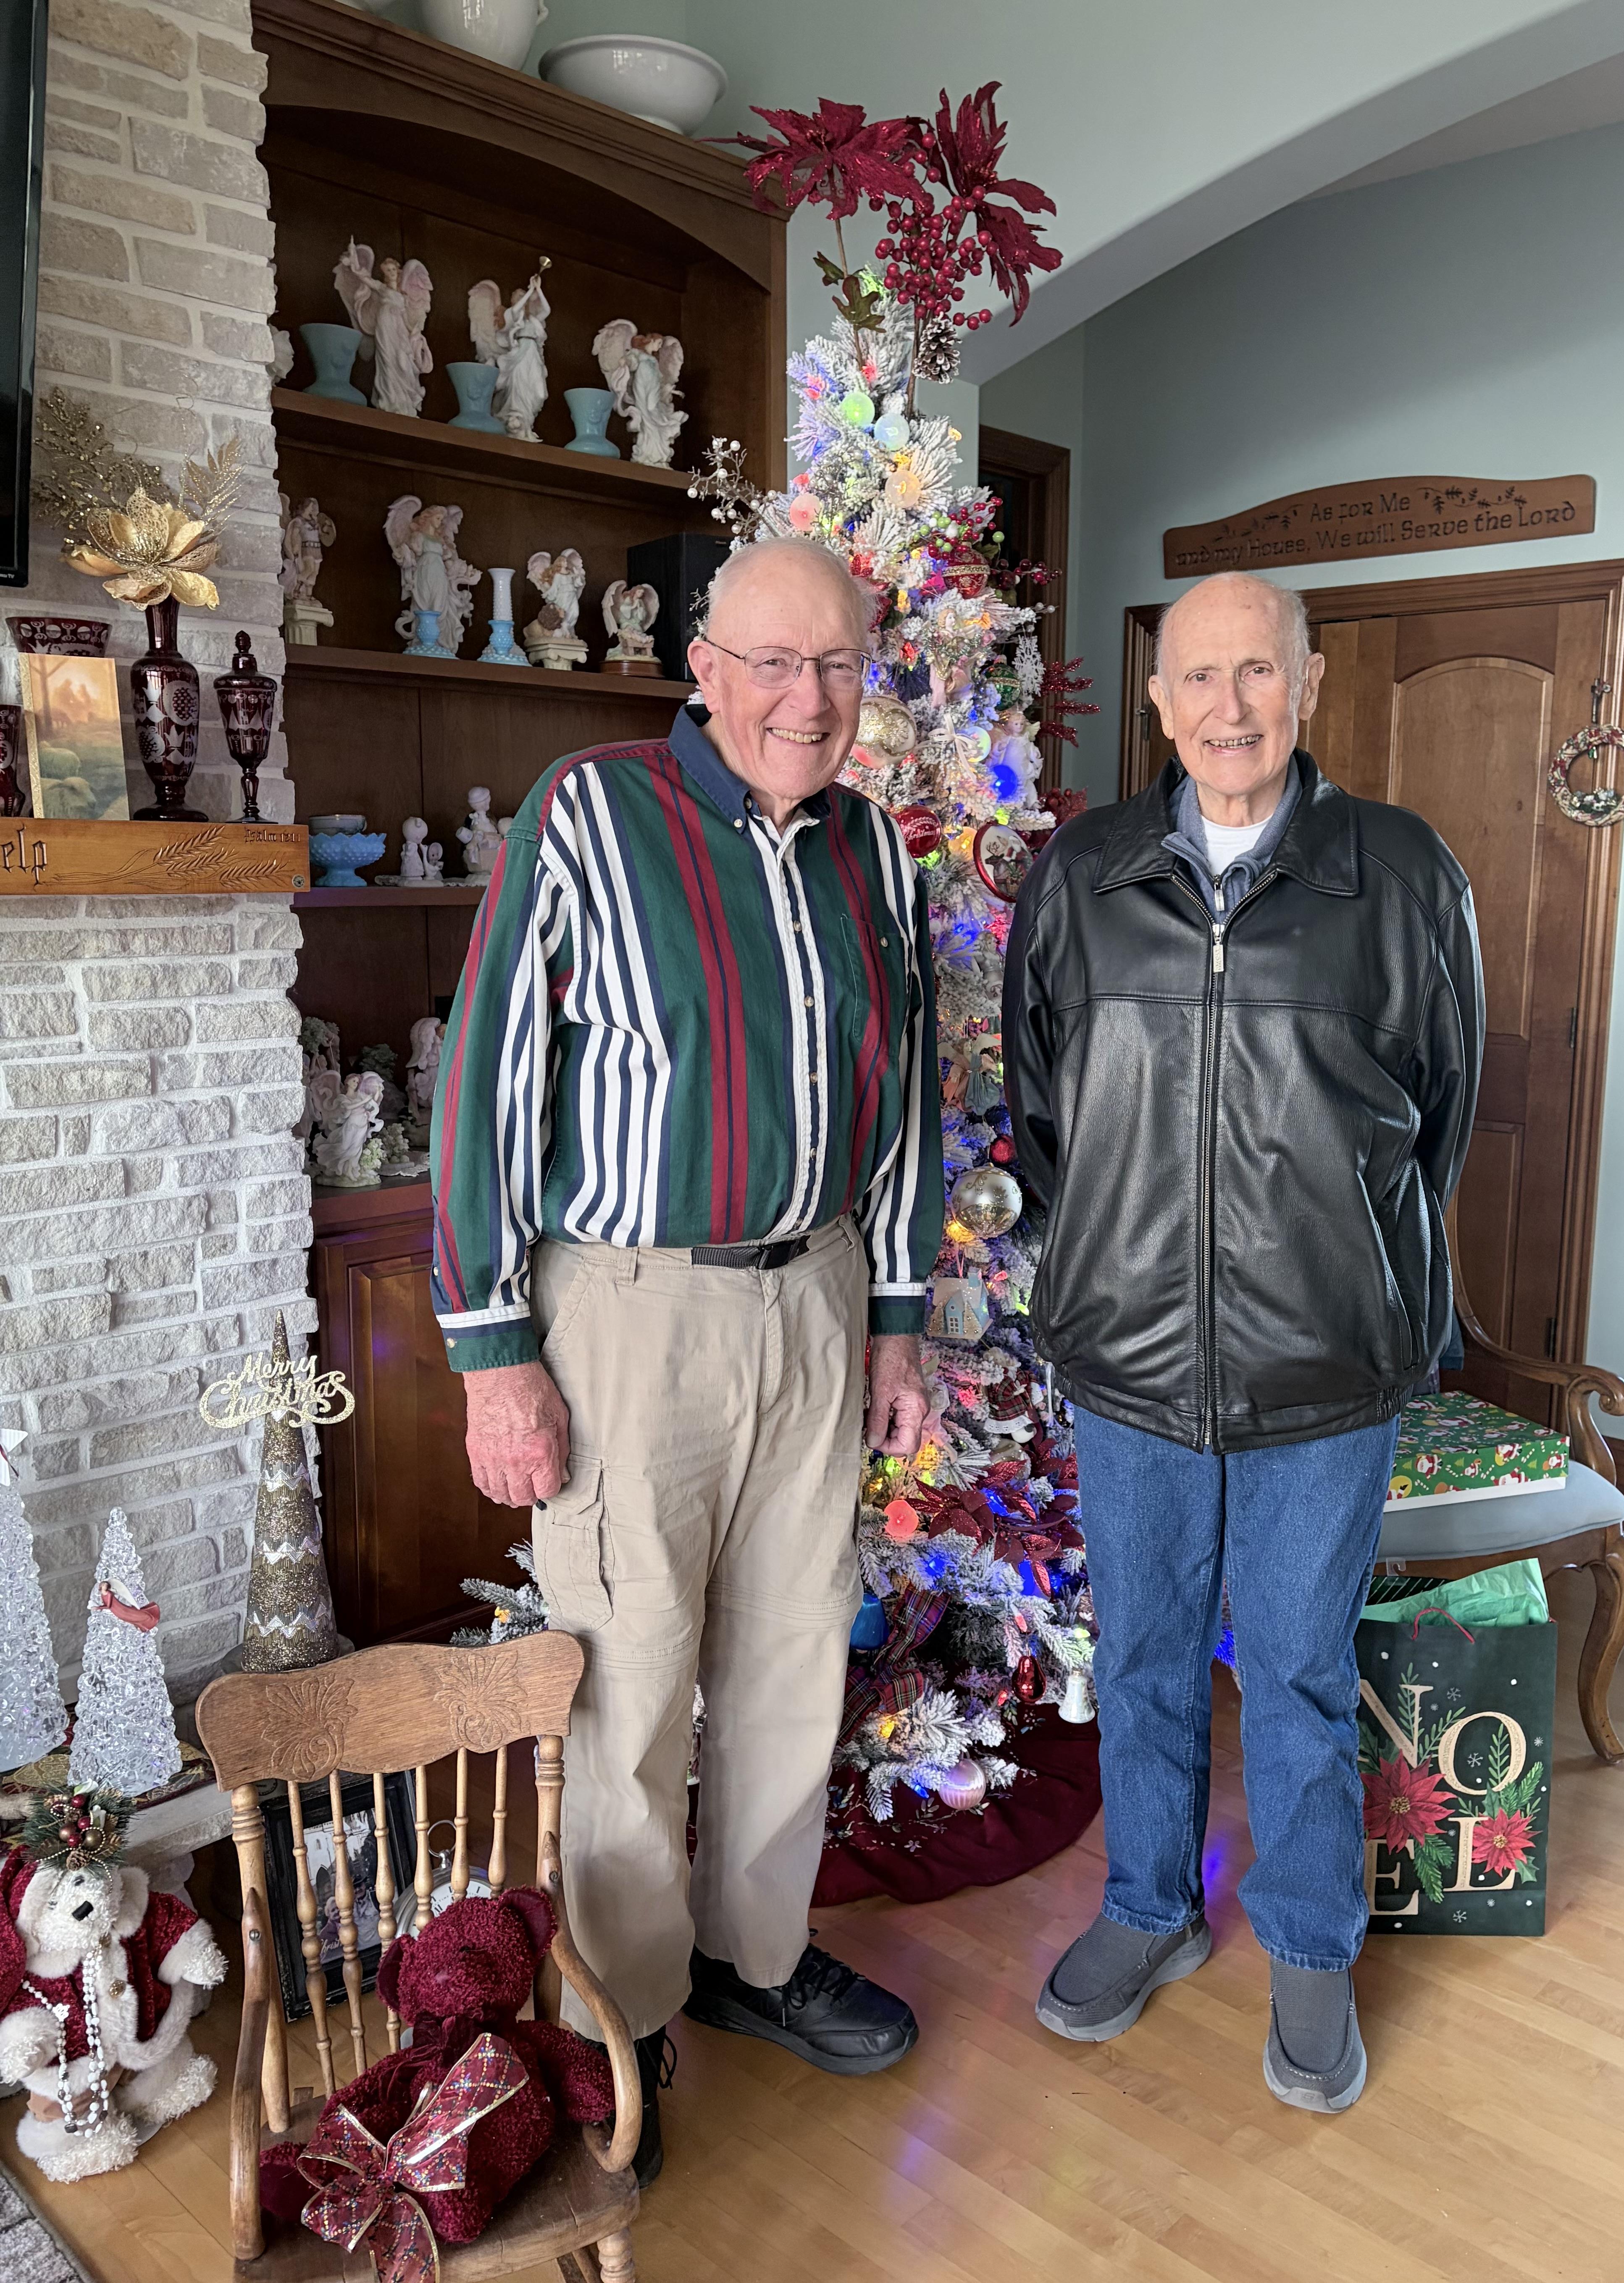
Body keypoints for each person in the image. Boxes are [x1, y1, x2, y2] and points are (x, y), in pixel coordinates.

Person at [430, 537, 942, 2182]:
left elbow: (911, 1097)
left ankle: (752, 1967)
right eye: (773, 664)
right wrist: (494, 1356)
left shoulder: (876, 850)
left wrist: (901, 1317)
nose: (806, 699)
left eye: (838, 668)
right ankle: (620, 2026)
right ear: (703, 667)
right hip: (630, 1311)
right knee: (630, 1676)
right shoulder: (592, 812)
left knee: (796, 1658)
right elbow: (492, 1084)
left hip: (819, 1298)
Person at [1003, 570, 1482, 2112]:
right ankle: (1149, 1910)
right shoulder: (1080, 875)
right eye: (1199, 677)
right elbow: (1046, 1115)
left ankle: (1313, 1938)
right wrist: (1121, 1265)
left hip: (1324, 1368)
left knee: (1292, 1665)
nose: (1229, 707)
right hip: (1131, 1360)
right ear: (1157, 698)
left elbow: (1439, 1122)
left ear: (1310, 683)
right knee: (1139, 1655)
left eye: (1257, 674)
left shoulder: (1403, 872)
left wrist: (1346, 1270)